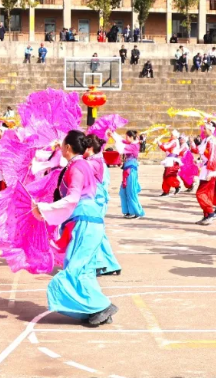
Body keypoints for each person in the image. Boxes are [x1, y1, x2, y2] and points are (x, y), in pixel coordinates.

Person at [32, 130, 117, 325]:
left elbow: (73, 198)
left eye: (62, 144)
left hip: (85, 223)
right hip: (87, 222)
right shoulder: (80, 165)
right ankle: (94, 309)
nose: (60, 147)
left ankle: (101, 306)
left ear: (68, 147)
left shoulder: (78, 166)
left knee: (75, 269)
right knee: (84, 269)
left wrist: (44, 208)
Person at [85, 133, 121, 276]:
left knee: (95, 232)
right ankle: (109, 263)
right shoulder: (96, 160)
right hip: (98, 198)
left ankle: (101, 263)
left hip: (97, 199)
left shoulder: (95, 162)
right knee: (98, 232)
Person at [110, 129, 145, 219]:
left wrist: (114, 137)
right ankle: (128, 211)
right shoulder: (131, 143)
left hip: (131, 171)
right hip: (126, 170)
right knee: (123, 192)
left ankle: (136, 212)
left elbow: (121, 148)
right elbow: (120, 140)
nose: (125, 138)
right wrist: (113, 134)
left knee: (131, 192)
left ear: (131, 137)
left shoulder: (134, 146)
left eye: (127, 137)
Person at [194, 122, 216, 224]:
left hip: (209, 170)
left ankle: (210, 213)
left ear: (210, 130)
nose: (203, 130)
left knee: (200, 193)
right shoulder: (206, 140)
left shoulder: (212, 141)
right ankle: (206, 216)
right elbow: (202, 153)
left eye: (205, 128)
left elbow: (213, 157)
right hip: (206, 168)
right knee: (206, 194)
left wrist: (211, 171)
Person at [158, 130, 183, 196]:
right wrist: (160, 144)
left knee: (169, 175)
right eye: (171, 134)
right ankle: (166, 191)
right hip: (169, 160)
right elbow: (165, 149)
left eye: (172, 135)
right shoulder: (171, 141)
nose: (171, 136)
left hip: (172, 161)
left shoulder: (174, 141)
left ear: (176, 136)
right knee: (165, 176)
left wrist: (160, 144)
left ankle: (177, 186)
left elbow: (166, 147)